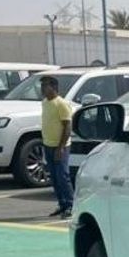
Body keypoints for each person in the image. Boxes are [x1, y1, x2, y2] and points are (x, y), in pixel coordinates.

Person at [39, 75, 75, 218]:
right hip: (48, 145)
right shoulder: (45, 103)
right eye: (41, 86)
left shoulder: (61, 104)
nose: (42, 88)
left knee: (62, 176)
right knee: (53, 177)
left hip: (60, 146)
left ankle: (70, 205)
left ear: (54, 87)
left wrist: (60, 148)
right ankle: (62, 203)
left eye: (45, 85)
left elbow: (67, 127)